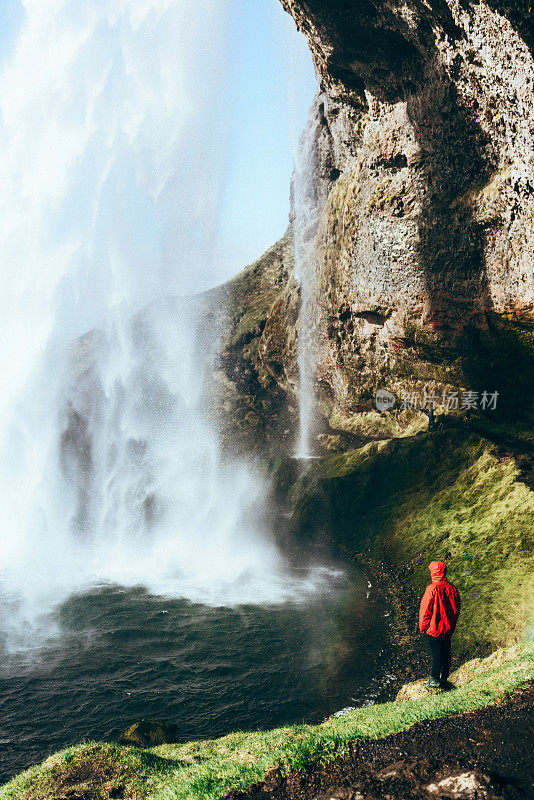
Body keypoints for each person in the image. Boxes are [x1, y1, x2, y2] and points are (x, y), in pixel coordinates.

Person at [419, 561, 461, 688]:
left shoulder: (432, 589)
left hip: (434, 628)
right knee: (446, 653)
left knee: (437, 654)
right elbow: (456, 609)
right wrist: (452, 625)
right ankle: (444, 678)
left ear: (433, 573)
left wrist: (423, 626)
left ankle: (434, 679)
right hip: (447, 628)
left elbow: (425, 609)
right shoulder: (452, 588)